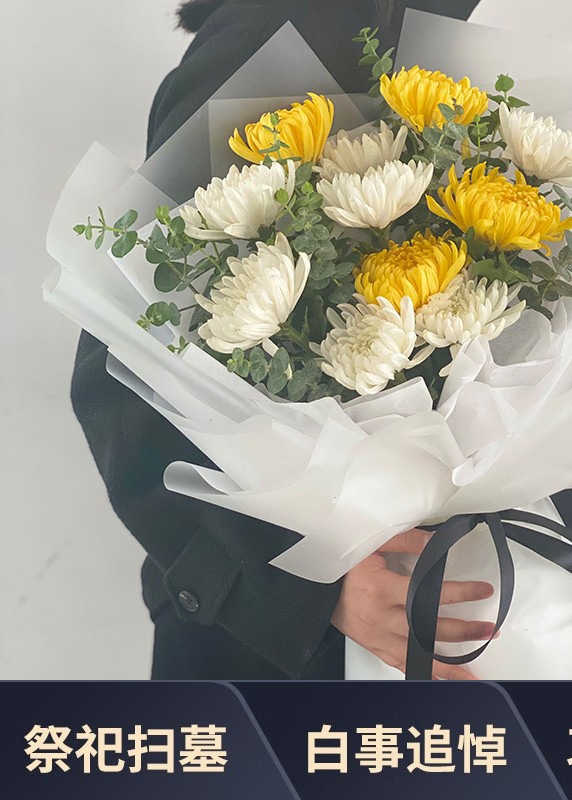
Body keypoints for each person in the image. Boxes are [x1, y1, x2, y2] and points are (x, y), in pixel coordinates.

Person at [71, 0, 492, 680]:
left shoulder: (403, 27)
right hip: (294, 645)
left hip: (386, 606)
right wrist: (308, 593)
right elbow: (123, 363)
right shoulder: (290, 27)